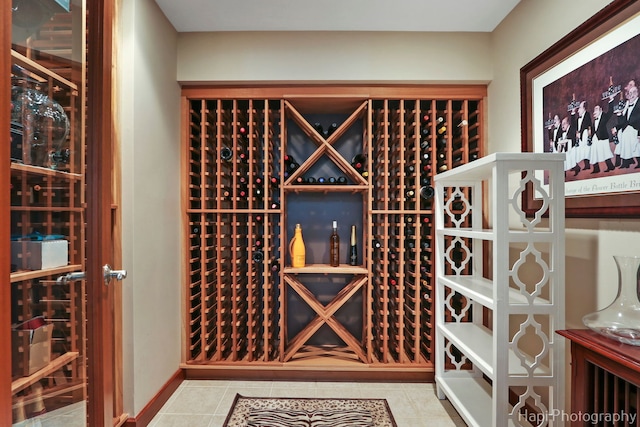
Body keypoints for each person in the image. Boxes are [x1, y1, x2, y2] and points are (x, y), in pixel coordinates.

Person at [615, 83, 640, 168]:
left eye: (633, 92)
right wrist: (619, 115)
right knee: (623, 138)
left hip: (636, 129)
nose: (631, 95)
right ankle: (625, 163)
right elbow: (623, 121)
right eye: (630, 93)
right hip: (627, 128)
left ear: (637, 93)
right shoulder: (627, 104)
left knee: (636, 147)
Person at [589, 98, 616, 173]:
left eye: (597, 109)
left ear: (600, 109)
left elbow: (610, 112)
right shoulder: (594, 119)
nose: (595, 111)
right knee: (594, 153)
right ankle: (596, 169)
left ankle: (611, 166)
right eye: (594, 109)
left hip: (603, 138)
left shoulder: (604, 116)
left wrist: (611, 100)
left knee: (605, 152)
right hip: (595, 139)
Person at [571, 101, 592, 171]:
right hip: (579, 137)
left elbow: (588, 126)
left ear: (584, 108)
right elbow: (573, 125)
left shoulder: (587, 115)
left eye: (580, 108)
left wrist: (585, 135)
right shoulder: (578, 118)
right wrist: (573, 113)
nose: (578, 110)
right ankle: (576, 166)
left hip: (585, 136)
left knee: (586, 151)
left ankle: (587, 165)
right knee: (579, 151)